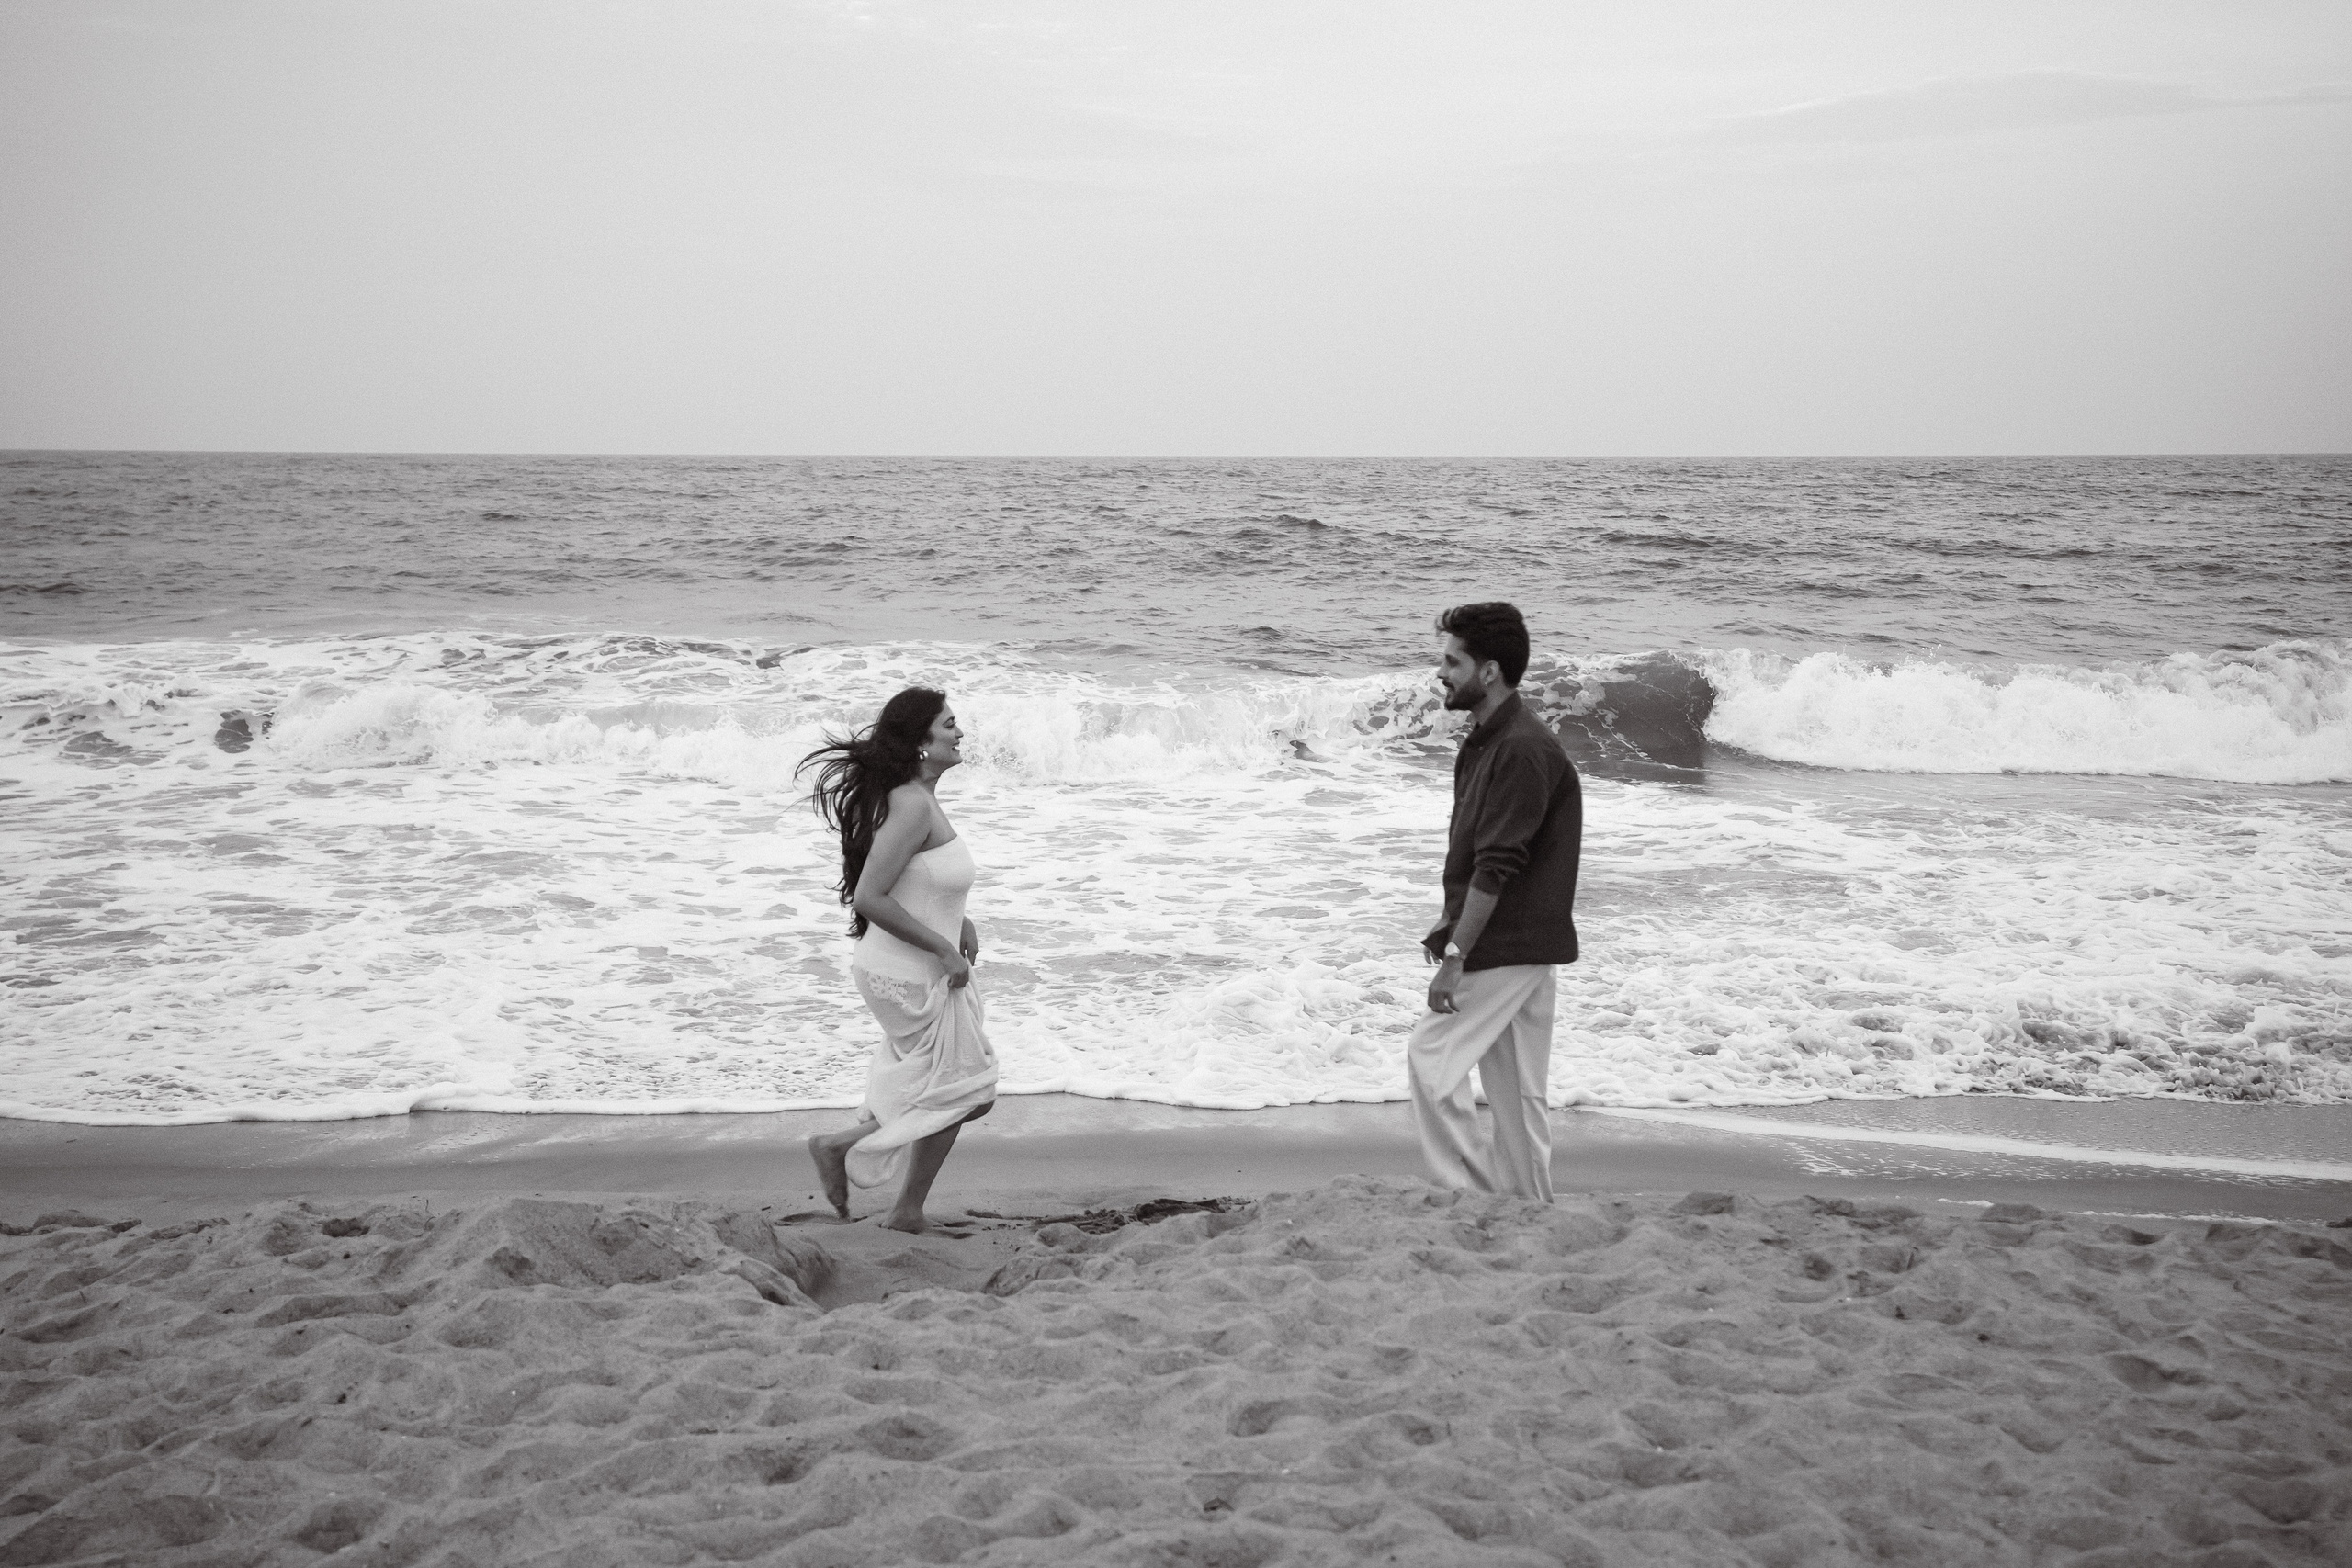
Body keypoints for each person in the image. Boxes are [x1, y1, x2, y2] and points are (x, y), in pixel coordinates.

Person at [796, 687, 998, 1232]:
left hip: (918, 963)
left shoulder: (920, 799)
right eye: (949, 725)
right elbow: (870, 896)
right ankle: (890, 1194)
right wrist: (939, 946)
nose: (960, 734)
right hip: (905, 969)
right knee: (963, 1088)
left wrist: (959, 922)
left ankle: (864, 1168)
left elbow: (923, 882)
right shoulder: (911, 803)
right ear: (920, 742)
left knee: (955, 1087)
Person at [1410, 602, 1583, 1201]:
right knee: (1516, 1097)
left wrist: (1457, 953)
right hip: (1523, 939)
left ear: (1489, 671)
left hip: (1507, 941)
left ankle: (1471, 1196)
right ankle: (1529, 1209)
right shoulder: (1492, 739)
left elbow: (1497, 866)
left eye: (1452, 661)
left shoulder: (1520, 748)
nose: (1441, 672)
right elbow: (1483, 851)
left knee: (1431, 1059)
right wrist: (1450, 918)